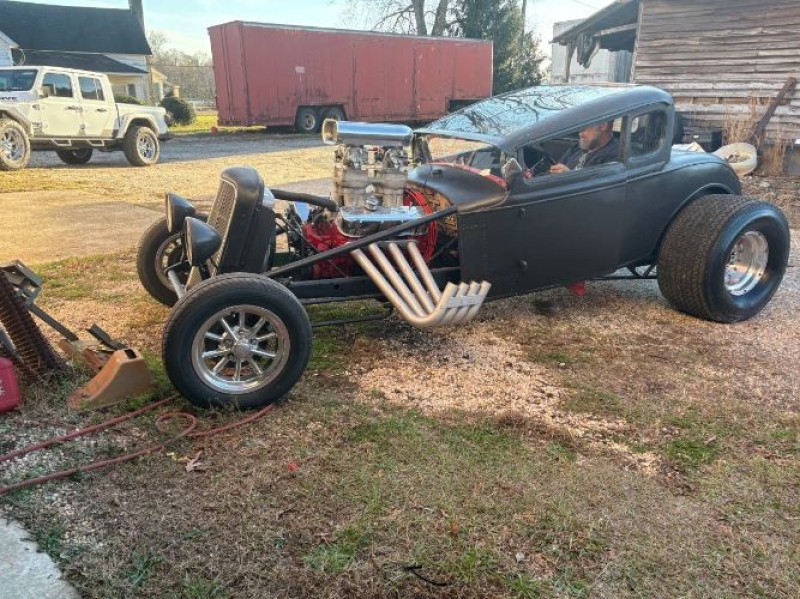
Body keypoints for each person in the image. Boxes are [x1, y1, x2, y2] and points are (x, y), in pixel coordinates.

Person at [549, 121, 620, 173]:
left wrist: (569, 177)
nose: (580, 132)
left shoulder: (616, 155)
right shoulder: (576, 148)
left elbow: (600, 188)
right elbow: (555, 169)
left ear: (603, 125)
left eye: (585, 124)